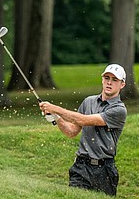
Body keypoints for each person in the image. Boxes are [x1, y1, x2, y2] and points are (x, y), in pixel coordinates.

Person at [39, 64, 127, 196]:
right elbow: (71, 131)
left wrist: (55, 108)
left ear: (122, 85)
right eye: (107, 78)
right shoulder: (88, 102)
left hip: (104, 171)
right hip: (81, 167)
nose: (109, 82)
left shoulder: (119, 110)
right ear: (102, 79)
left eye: (115, 80)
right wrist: (56, 118)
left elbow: (82, 120)